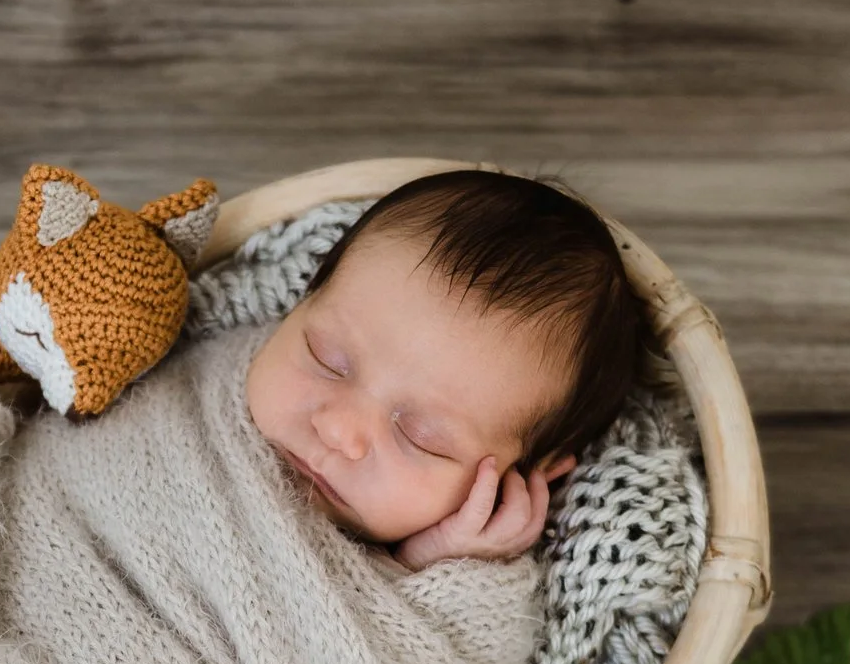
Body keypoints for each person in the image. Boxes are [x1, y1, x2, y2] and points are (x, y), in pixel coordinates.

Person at [244, 168, 650, 572]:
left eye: (421, 438)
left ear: (525, 477)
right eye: (326, 360)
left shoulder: (463, 567)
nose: (337, 431)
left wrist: (427, 564)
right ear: (303, 300)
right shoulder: (205, 363)